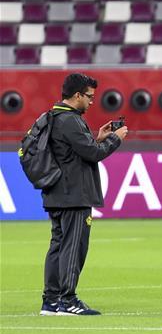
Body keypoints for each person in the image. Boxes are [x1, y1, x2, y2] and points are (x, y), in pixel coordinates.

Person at [40, 73, 128, 316]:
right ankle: (68, 301)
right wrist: (115, 140)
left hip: (57, 191)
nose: (91, 101)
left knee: (58, 246)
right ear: (77, 95)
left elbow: (75, 150)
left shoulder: (54, 115)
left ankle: (51, 301)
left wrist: (96, 138)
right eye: (89, 97)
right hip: (75, 193)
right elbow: (92, 154)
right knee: (73, 246)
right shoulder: (71, 120)